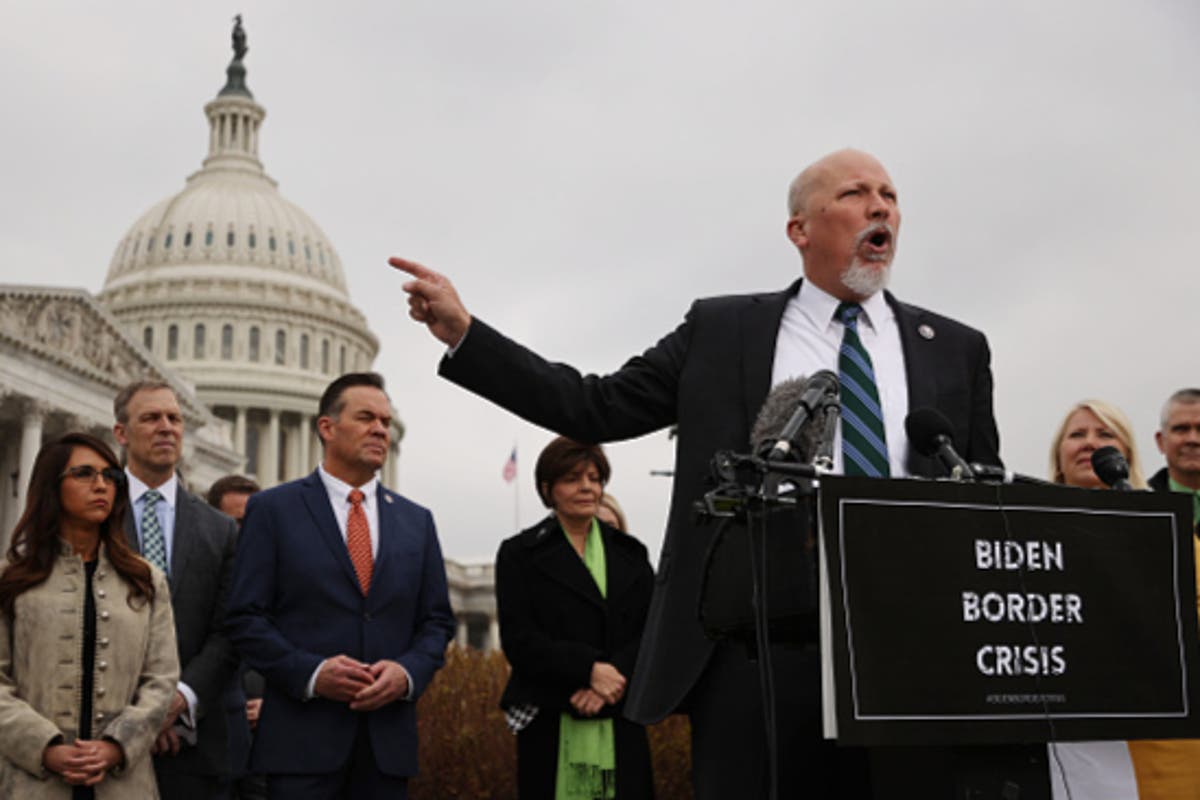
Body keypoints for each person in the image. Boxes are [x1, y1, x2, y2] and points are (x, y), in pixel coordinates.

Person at [392, 148, 1029, 797]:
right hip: (756, 651)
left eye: (890, 195)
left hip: (909, 651)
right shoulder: (723, 330)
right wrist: (466, 334)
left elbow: (982, 495)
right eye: (856, 192)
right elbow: (595, 404)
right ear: (800, 228)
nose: (880, 206)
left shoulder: (955, 348)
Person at [225, 372, 455, 799]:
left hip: (386, 746)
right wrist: (312, 673)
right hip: (300, 744)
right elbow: (245, 617)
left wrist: (406, 673)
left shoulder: (415, 521)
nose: (380, 430)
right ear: (327, 428)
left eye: (386, 422)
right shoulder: (273, 510)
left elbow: (437, 622)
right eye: (366, 417)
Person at [0, 433, 179, 799]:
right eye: (84, 474)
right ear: (52, 486)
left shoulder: (146, 580)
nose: (101, 486)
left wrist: (117, 745)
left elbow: (161, 679)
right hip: (30, 782)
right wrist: (44, 747)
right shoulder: (11, 578)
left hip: (123, 783)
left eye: (110, 477)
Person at [497, 438, 654, 799]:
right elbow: (520, 640)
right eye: (572, 478)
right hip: (551, 715)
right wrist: (587, 671)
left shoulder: (631, 554)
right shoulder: (519, 554)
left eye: (594, 478)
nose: (586, 487)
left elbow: (652, 631)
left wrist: (612, 678)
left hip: (620, 711)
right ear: (547, 489)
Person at [112, 380, 240, 798]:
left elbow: (230, 630)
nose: (166, 427)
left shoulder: (219, 529)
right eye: (151, 418)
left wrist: (178, 702)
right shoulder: (93, 517)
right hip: (104, 739)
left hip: (195, 747)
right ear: (121, 433)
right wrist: (139, 716)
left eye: (174, 418)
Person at [1044, 400, 1155, 800]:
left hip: (1157, 744)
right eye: (1077, 435)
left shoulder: (1165, 533)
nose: (1090, 444)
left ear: (1126, 454)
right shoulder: (1026, 537)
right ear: (1059, 456)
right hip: (1064, 738)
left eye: (1105, 435)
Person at [1125, 389, 1200, 799]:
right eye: (1181, 429)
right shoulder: (1140, 513)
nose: (1192, 438)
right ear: (1160, 441)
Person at [206, 475, 266, 800]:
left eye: (251, 524)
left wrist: (276, 706)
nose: (242, 535)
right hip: (209, 747)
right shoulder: (196, 582)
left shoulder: (287, 583)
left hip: (268, 754)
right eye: (234, 524)